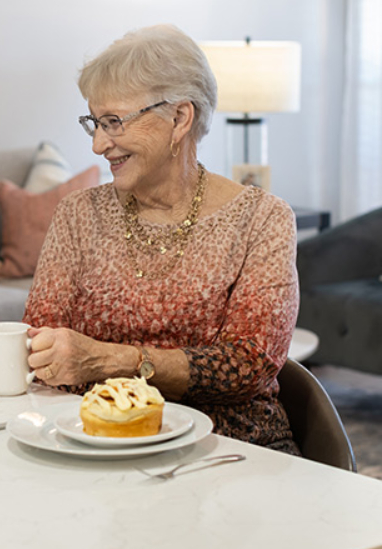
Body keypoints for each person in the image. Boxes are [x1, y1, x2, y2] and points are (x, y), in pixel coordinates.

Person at [24, 25, 300, 454]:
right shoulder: (78, 214)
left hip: (229, 449)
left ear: (180, 118)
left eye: (114, 122)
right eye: (94, 123)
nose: (99, 145)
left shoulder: (262, 219)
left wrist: (109, 360)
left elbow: (248, 366)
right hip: (98, 444)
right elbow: (41, 350)